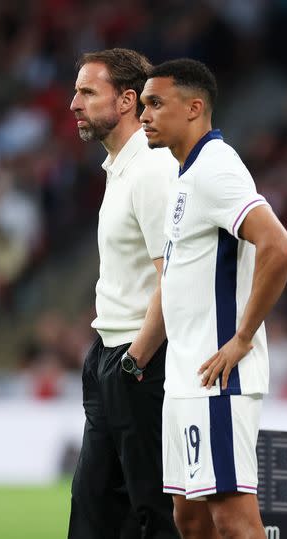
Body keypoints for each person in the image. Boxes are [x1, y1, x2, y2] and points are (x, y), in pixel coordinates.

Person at [139, 58, 287, 539]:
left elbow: (279, 246)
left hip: (217, 375)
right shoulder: (185, 176)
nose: (144, 115)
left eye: (155, 103)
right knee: (189, 516)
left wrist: (243, 336)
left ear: (194, 107)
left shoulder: (217, 169)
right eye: (143, 104)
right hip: (185, 376)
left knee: (232, 517)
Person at [68, 48, 180, 539]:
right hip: (110, 355)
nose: (74, 103)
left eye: (87, 92)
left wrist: (136, 359)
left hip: (140, 360)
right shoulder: (120, 169)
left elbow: (172, 276)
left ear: (128, 99)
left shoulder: (152, 171)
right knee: (92, 509)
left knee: (151, 512)